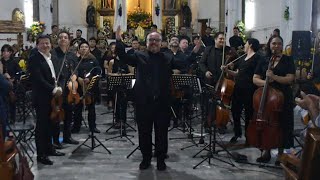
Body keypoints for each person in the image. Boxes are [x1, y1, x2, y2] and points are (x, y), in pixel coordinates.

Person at [115, 26, 176, 171]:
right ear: (146, 42)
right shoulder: (139, 55)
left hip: (162, 102)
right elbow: (123, 57)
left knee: (162, 133)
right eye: (151, 40)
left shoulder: (168, 57)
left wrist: (193, 51)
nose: (154, 42)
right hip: (143, 102)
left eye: (156, 40)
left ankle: (161, 160)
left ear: (161, 43)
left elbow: (183, 63)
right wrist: (118, 41)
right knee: (144, 132)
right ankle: (146, 159)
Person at [252, 35, 295, 164]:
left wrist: (274, 77)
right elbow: (255, 78)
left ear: (282, 46)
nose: (276, 46)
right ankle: (266, 151)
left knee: (282, 125)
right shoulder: (264, 60)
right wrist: (266, 82)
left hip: (283, 97)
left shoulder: (288, 60)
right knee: (267, 123)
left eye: (279, 44)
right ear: (269, 45)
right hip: (267, 98)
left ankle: (281, 154)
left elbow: (290, 78)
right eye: (274, 43)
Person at [29, 35, 65, 165]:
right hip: (42, 97)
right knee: (42, 126)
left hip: (53, 98)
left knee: (51, 125)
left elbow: (57, 75)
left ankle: (50, 149)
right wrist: (53, 89)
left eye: (47, 43)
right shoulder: (34, 59)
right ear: (37, 45)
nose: (45, 45)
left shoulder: (52, 57)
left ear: (51, 44)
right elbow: (39, 79)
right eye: (42, 43)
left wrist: (59, 86)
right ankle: (41, 155)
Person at [221, 38, 260, 144]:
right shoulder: (243, 58)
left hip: (250, 89)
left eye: (246, 43)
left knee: (248, 113)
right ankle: (237, 133)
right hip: (238, 88)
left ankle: (248, 135)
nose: (244, 46)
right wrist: (227, 70)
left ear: (250, 45)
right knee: (235, 111)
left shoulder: (257, 58)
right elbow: (238, 73)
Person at [51, 31, 80, 147]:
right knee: (57, 115)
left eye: (65, 37)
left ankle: (67, 137)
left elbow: (76, 69)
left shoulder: (72, 55)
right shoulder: (53, 54)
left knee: (69, 114)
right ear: (58, 40)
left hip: (69, 90)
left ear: (69, 40)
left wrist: (75, 75)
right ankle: (56, 140)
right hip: (59, 88)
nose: (63, 39)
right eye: (61, 37)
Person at [72, 41, 101, 133]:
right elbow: (72, 73)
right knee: (77, 108)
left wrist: (90, 79)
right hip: (79, 87)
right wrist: (78, 79)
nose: (84, 48)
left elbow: (98, 72)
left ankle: (93, 126)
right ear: (79, 50)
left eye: (86, 47)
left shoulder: (94, 60)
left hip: (90, 88)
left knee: (91, 108)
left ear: (89, 49)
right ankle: (76, 126)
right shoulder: (76, 61)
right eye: (82, 47)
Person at [1, 44, 22, 124]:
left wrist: (13, 78)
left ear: (10, 52)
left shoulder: (14, 62)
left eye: (7, 51)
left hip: (12, 85)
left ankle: (12, 118)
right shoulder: (1, 61)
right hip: (2, 85)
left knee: (11, 101)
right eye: (3, 51)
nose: (5, 53)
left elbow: (19, 72)